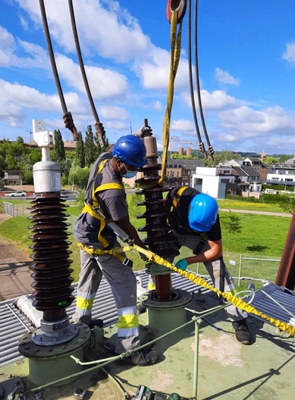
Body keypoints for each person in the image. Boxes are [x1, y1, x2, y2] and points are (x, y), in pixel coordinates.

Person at [73, 134, 157, 366]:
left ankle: (82, 322)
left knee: (88, 278)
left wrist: (135, 141)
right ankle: (128, 346)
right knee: (126, 284)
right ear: (120, 163)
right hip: (100, 240)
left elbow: (112, 147)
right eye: (132, 167)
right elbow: (126, 226)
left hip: (84, 230)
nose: (135, 171)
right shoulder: (114, 192)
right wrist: (142, 250)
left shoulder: (104, 158)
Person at [166, 185, 251, 345]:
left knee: (220, 272)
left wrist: (188, 261)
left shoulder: (212, 217)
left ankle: (238, 318)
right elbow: (165, 205)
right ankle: (154, 293)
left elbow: (216, 251)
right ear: (189, 209)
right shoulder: (179, 194)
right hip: (174, 233)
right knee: (159, 259)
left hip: (197, 239)